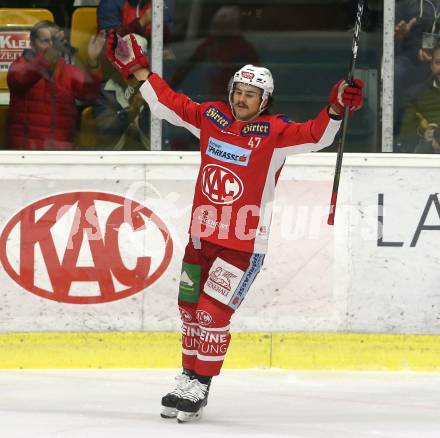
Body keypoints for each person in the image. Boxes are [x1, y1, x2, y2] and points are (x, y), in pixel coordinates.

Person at [106, 32, 363, 423]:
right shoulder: (212, 118)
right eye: (238, 90)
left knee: (211, 314)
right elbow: (170, 106)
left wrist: (335, 108)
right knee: (189, 310)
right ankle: (188, 376)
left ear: (265, 100)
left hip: (241, 244)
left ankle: (202, 384)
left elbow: (317, 135)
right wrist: (140, 71)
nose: (241, 98)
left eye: (251, 94)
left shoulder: (275, 134)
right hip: (200, 236)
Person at [6, 20, 105, 150]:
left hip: (60, 154)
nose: (51, 45)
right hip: (26, 154)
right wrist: (49, 56)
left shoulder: (68, 69)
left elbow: (89, 95)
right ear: (32, 44)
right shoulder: (20, 65)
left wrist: (93, 62)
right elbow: (21, 80)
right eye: (45, 41)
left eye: (55, 41)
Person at [169, 6, 259, 100]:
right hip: (215, 100)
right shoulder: (209, 45)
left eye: (225, 25)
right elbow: (187, 67)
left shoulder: (244, 49)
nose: (219, 29)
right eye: (217, 25)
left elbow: (256, 78)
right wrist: (170, 88)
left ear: (233, 26)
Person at [394, 0, 440, 136]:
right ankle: (395, 131)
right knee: (397, 73)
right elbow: (389, 34)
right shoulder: (406, 3)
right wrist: (401, 37)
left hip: (436, 56)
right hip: (410, 58)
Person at [398, 44, 440, 152]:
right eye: (438, 63)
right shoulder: (414, 95)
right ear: (431, 65)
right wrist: (424, 135)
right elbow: (405, 138)